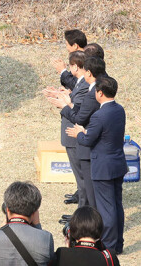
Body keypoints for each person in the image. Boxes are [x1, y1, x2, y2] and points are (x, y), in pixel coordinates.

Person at [66, 76, 126, 254]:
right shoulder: (119, 109)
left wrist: (79, 133)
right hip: (117, 164)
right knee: (116, 205)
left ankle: (109, 247)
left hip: (103, 167)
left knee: (106, 209)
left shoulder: (99, 115)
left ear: (100, 93)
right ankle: (118, 243)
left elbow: (88, 140)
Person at [52, 57, 107, 212]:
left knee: (85, 180)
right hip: (85, 140)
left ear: (88, 72)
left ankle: (85, 215)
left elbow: (80, 117)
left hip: (84, 140)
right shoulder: (94, 91)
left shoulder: (92, 93)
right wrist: (69, 102)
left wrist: (64, 106)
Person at [44, 51, 89, 214]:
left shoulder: (84, 85)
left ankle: (82, 214)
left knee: (82, 178)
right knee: (80, 177)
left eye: (70, 66)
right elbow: (74, 101)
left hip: (74, 134)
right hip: (72, 134)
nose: (69, 70)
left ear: (76, 67)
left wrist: (62, 104)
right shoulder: (81, 83)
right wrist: (61, 95)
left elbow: (78, 111)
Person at [0, 181, 55, 266]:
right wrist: (37, 226)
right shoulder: (46, 239)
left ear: (7, 210)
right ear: (34, 212)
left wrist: (3, 229)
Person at [54, 206, 120, 266]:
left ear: (73, 230)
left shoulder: (61, 254)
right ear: (100, 229)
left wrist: (68, 248)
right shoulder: (109, 257)